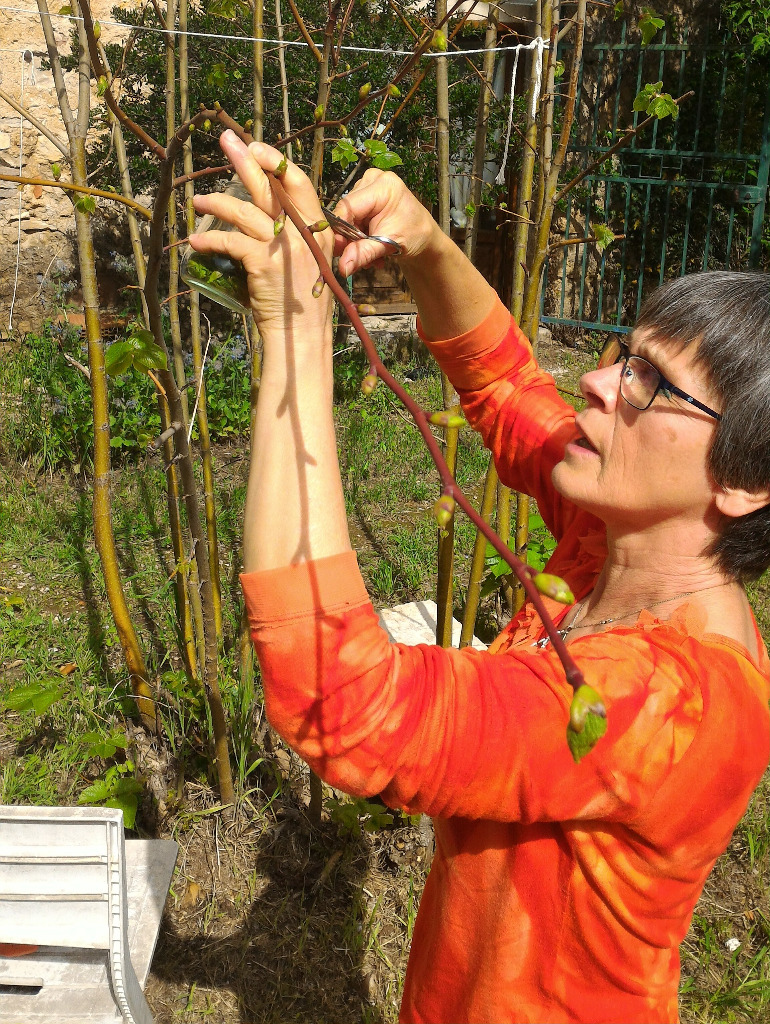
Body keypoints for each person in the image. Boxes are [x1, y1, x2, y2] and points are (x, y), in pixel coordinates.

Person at [189, 130, 770, 1024]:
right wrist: (423, 242)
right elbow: (505, 384)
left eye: (652, 383)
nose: (599, 382)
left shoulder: (676, 706)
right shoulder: (612, 543)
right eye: (624, 354)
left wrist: (298, 331)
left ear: (745, 483)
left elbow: (346, 706)